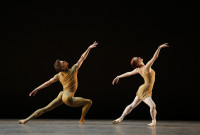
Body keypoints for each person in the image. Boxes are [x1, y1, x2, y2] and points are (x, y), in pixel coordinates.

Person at [18, 41, 98, 124]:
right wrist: (89, 48)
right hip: (67, 96)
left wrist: (36, 89)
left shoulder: (59, 75)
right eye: (62, 62)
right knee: (89, 102)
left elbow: (48, 82)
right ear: (63, 67)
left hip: (61, 94)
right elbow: (82, 58)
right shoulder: (73, 69)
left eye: (62, 61)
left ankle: (26, 120)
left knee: (46, 108)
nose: (64, 61)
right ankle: (81, 119)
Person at [112, 43, 169, 126]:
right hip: (145, 89)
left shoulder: (138, 69)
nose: (139, 57)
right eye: (137, 58)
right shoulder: (146, 67)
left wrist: (118, 76)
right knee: (153, 106)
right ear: (138, 63)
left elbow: (128, 73)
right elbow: (154, 57)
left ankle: (120, 118)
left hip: (145, 89)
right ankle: (153, 122)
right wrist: (159, 48)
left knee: (132, 105)